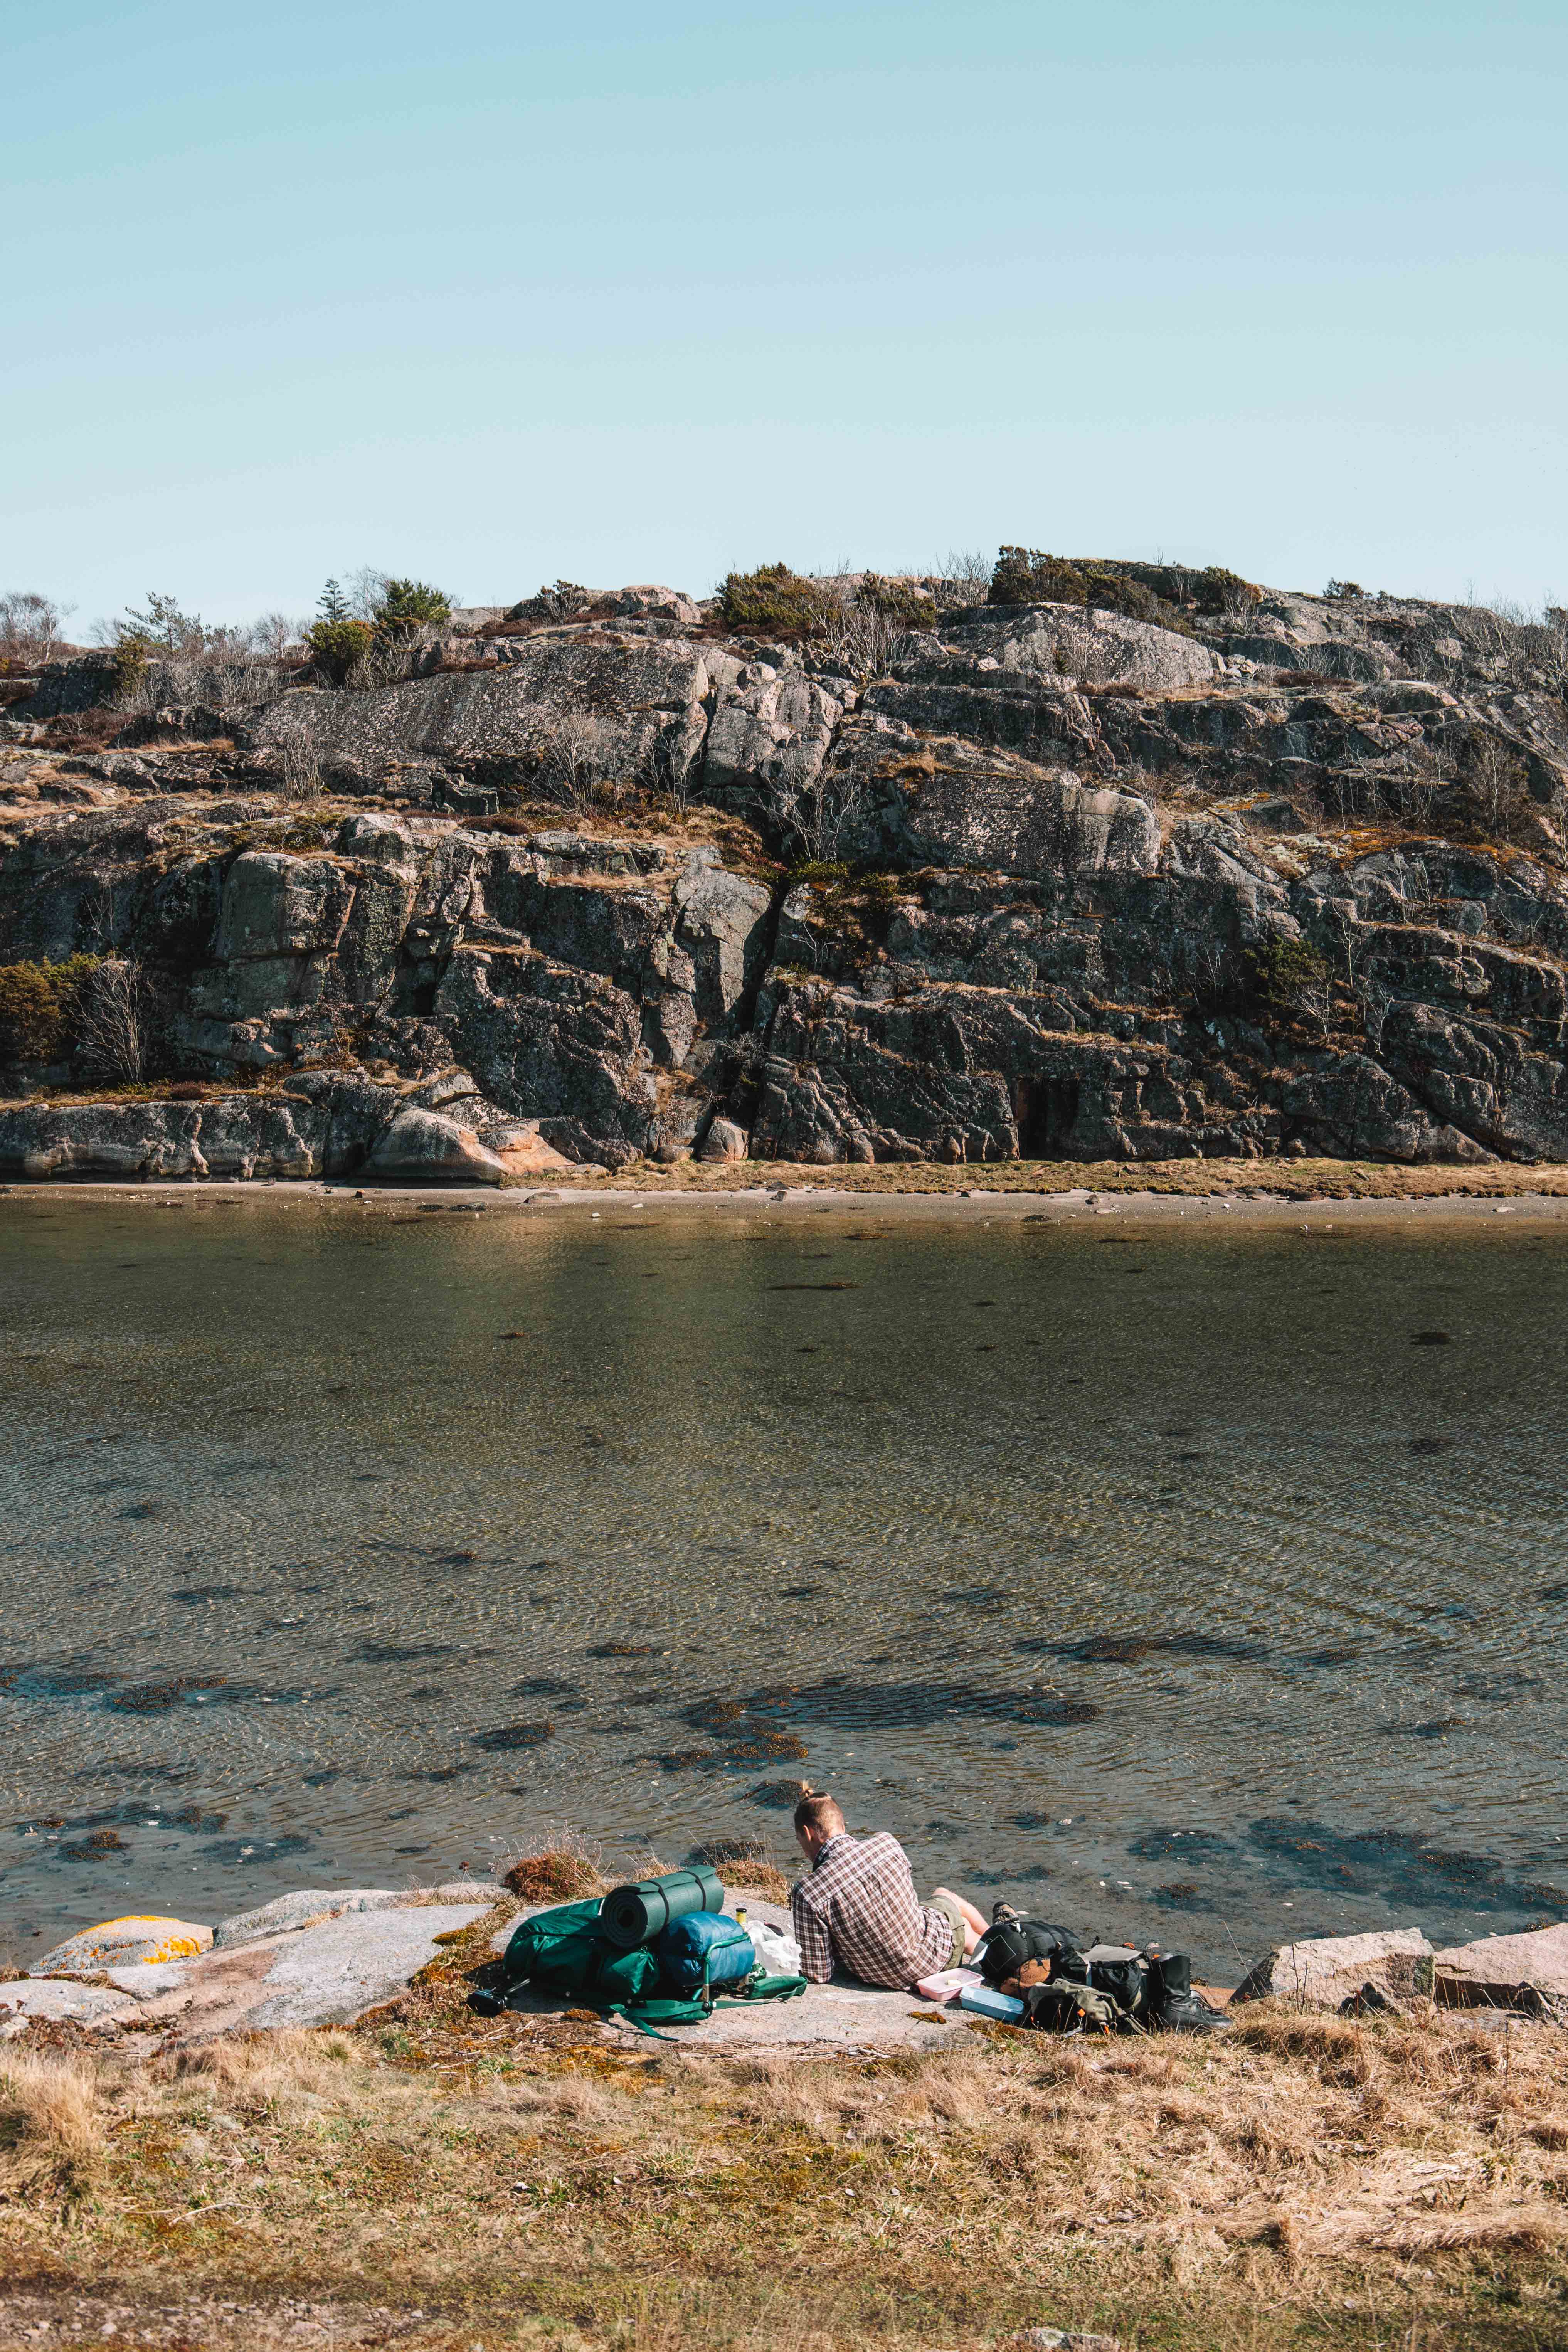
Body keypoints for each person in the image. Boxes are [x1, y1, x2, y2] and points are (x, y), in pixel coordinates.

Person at [789, 1789, 989, 1990]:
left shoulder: (807, 1893)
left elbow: (818, 1974)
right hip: (935, 1960)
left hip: (883, 1977)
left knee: (947, 1910)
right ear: (842, 1825)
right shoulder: (887, 1845)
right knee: (946, 1900)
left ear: (808, 1834)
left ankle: (992, 1941)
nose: (804, 1852)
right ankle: (998, 1943)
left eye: (800, 1842)